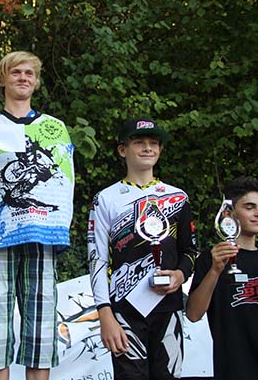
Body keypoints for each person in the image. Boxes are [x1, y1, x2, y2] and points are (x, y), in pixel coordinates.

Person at [0, 51, 74, 380]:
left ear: (36, 82)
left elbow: (64, 179)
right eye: (16, 72)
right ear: (3, 80)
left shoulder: (54, 128)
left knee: (42, 330)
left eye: (29, 73)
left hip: (42, 234)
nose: (23, 77)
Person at [87, 118, 197, 380]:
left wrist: (180, 275)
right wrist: (105, 313)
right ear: (122, 150)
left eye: (153, 143)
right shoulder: (105, 198)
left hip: (168, 308)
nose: (148, 148)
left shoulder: (178, 197)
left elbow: (190, 252)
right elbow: (97, 259)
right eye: (139, 142)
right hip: (125, 310)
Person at [186, 176, 258, 380]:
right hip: (237, 368)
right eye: (250, 207)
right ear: (229, 213)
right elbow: (193, 314)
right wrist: (215, 270)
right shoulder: (213, 258)